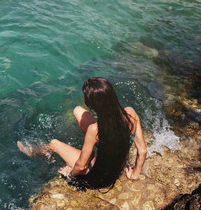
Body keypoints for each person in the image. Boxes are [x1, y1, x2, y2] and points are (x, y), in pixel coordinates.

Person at [18, 77, 147, 189]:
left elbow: (80, 167)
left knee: (54, 143)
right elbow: (142, 151)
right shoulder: (130, 114)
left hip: (97, 177)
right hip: (116, 170)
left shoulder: (95, 130)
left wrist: (70, 175)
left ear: (94, 106)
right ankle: (94, 145)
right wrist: (135, 174)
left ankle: (33, 152)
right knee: (78, 111)